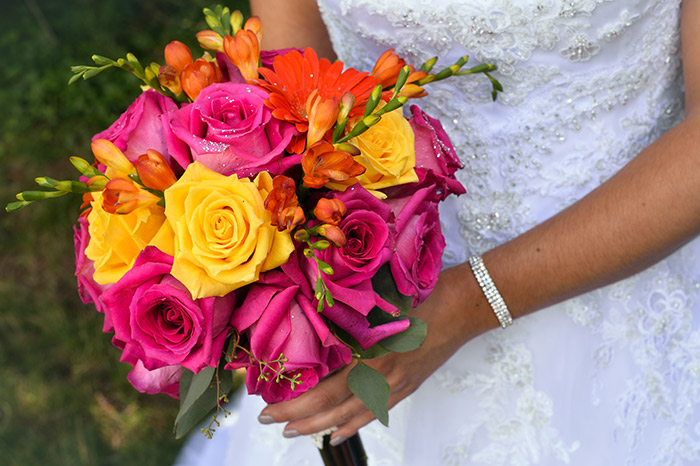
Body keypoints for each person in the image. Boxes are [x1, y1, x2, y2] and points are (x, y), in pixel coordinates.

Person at [175, 0, 700, 464]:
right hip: (370, 288)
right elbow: (291, 75)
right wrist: (293, 270)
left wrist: (468, 304)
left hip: (618, 273)